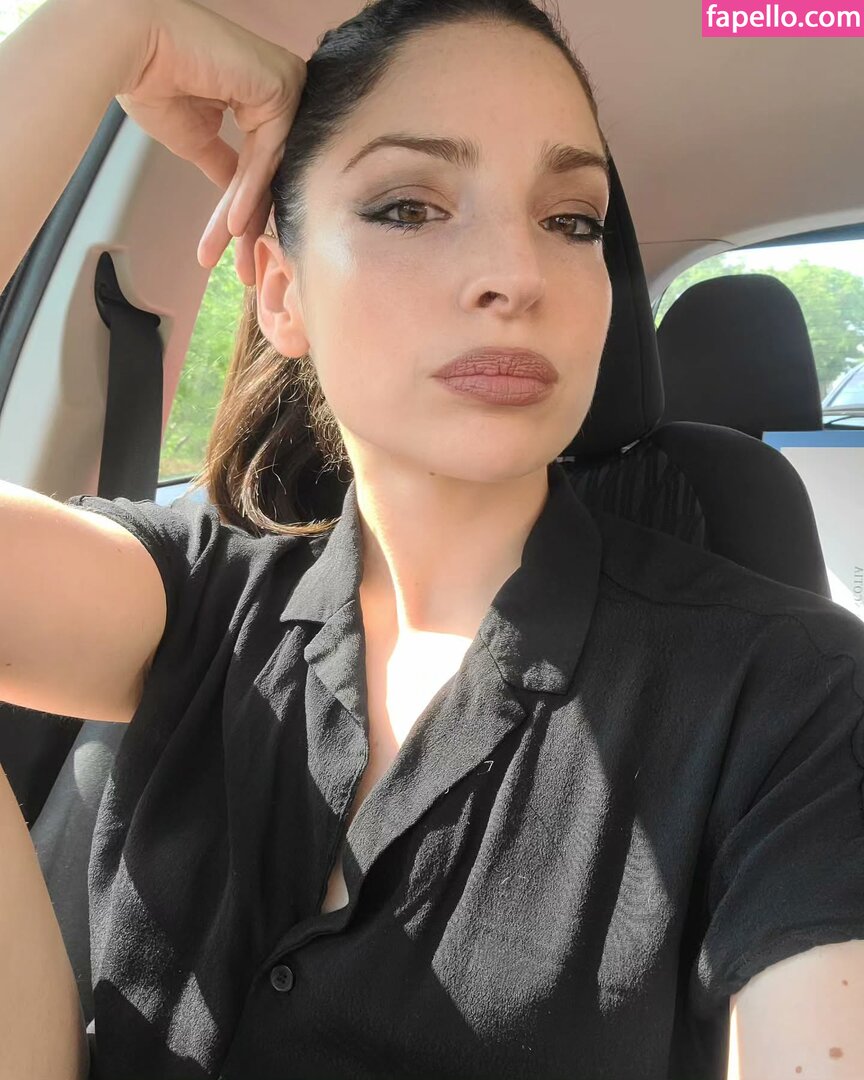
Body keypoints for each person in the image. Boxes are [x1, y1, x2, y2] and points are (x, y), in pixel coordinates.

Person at [0, 0, 863, 1078]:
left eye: (571, 220)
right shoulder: (193, 597)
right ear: (281, 294)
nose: (518, 273)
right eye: (408, 206)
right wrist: (99, 27)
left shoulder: (796, 697)